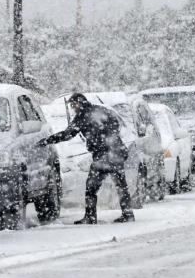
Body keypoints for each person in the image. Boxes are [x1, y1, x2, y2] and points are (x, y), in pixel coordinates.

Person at [36, 93, 135, 224]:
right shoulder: (102, 110)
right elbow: (116, 124)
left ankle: (90, 216)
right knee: (121, 185)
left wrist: (47, 141)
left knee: (91, 187)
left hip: (103, 156)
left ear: (79, 102)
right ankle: (128, 214)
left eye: (73, 105)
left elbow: (67, 134)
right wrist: (109, 139)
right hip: (117, 152)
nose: (72, 108)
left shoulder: (82, 116)